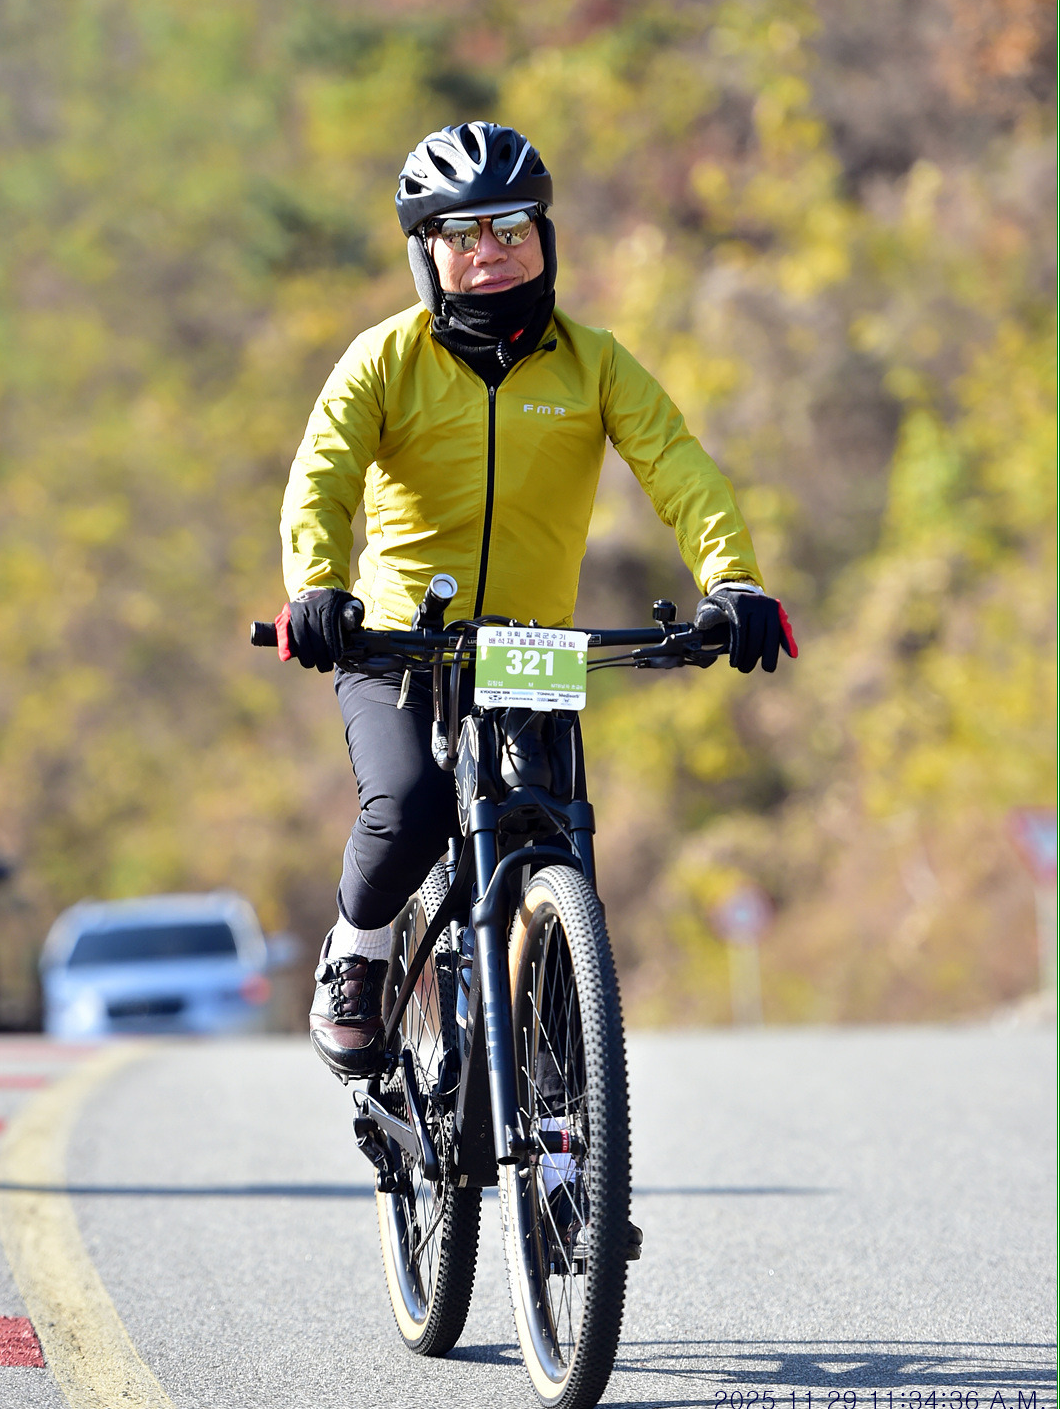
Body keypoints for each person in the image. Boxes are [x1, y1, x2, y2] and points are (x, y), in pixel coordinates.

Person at [276, 121, 796, 1077]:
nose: (491, 252)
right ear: (426, 251)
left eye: (512, 228)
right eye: (463, 233)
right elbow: (322, 481)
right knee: (412, 805)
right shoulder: (382, 360)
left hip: (531, 651)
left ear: (545, 238)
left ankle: (557, 1067)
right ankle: (359, 952)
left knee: (549, 827)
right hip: (396, 646)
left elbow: (679, 467)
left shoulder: (595, 363)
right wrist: (318, 588)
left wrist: (732, 581)